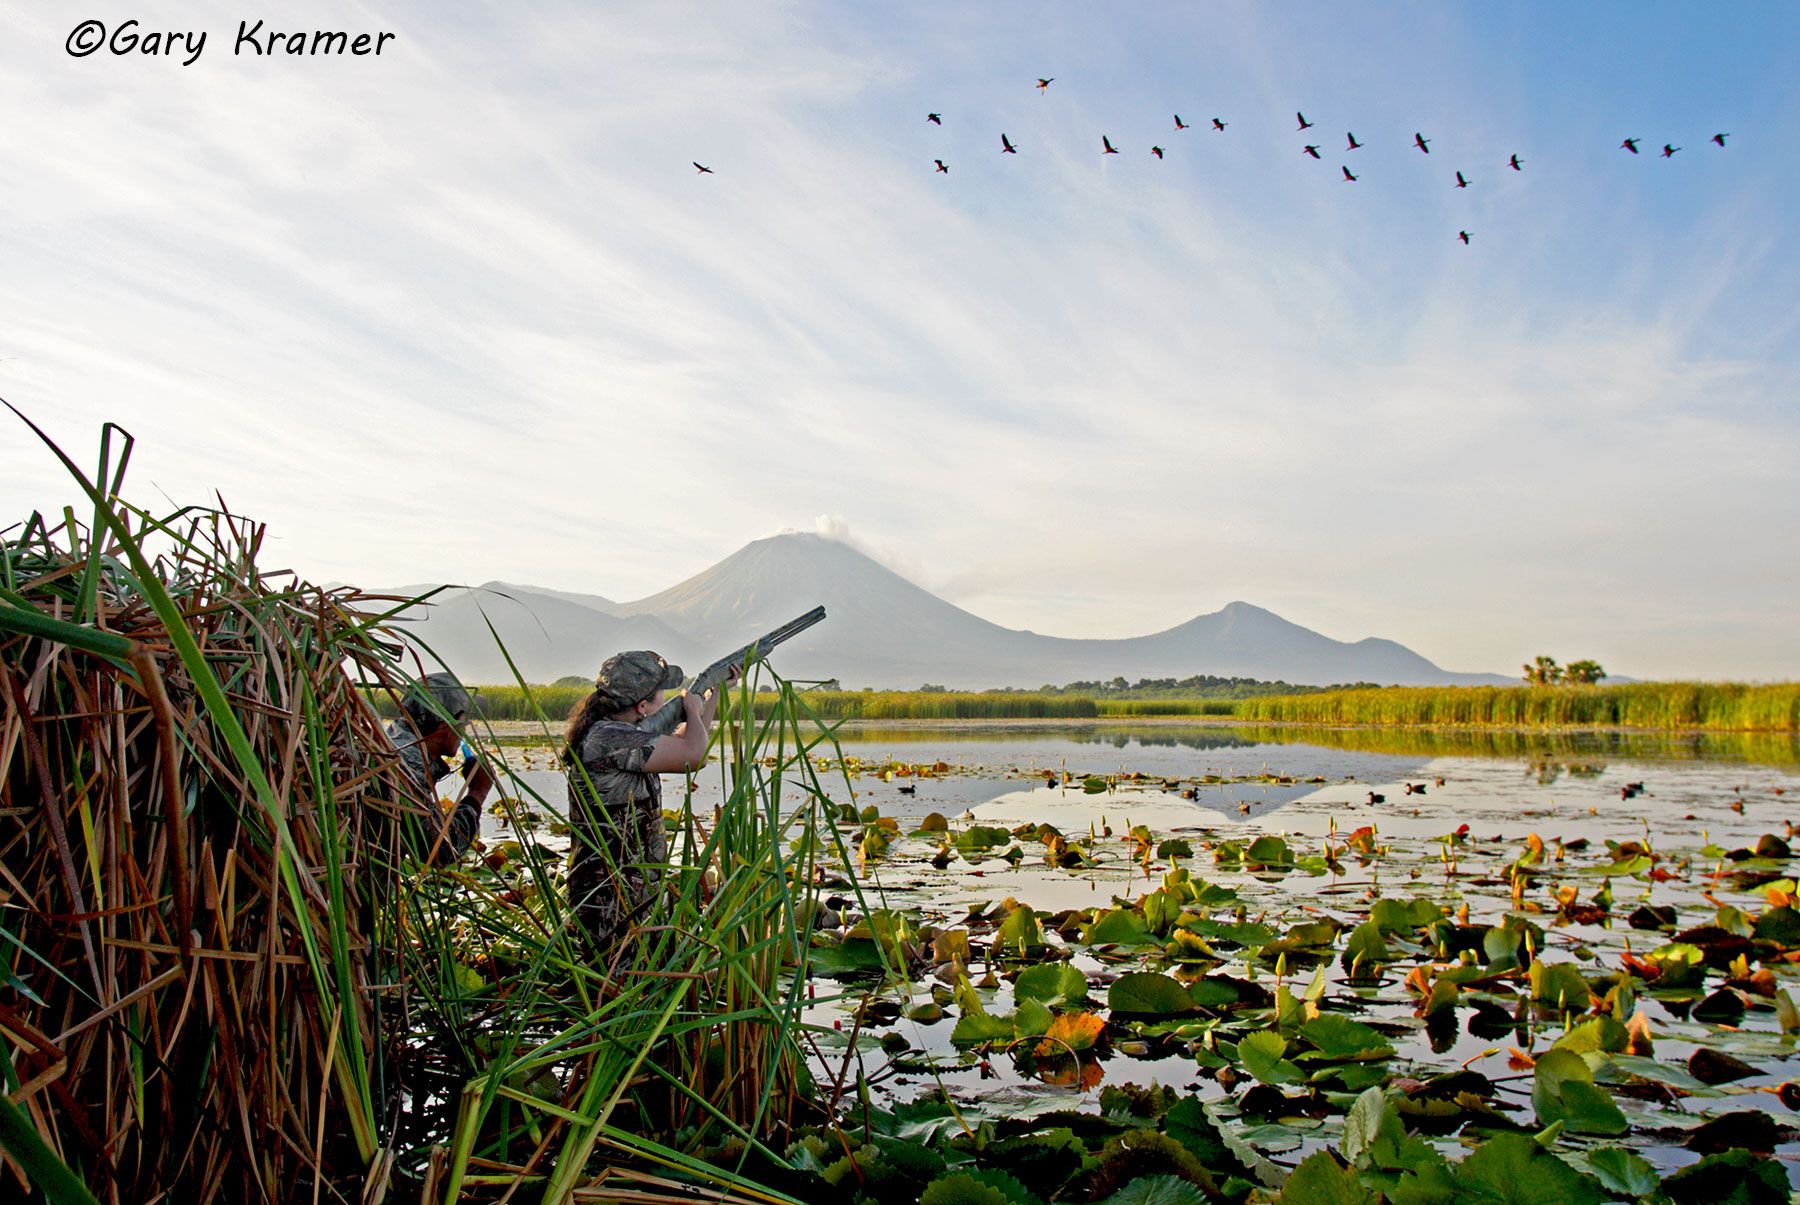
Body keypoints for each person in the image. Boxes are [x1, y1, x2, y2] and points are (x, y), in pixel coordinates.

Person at [563, 650, 733, 953]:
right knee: (616, 987)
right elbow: (694, 756)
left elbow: (690, 746)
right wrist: (691, 710)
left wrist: (714, 690)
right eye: (661, 693)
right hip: (610, 901)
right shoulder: (610, 739)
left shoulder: (616, 731)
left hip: (634, 893)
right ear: (642, 706)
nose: (667, 697)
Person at [386, 671, 494, 863]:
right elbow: (440, 849)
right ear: (445, 728)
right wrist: (477, 793)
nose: (465, 729)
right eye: (463, 720)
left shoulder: (392, 742)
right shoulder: (408, 763)